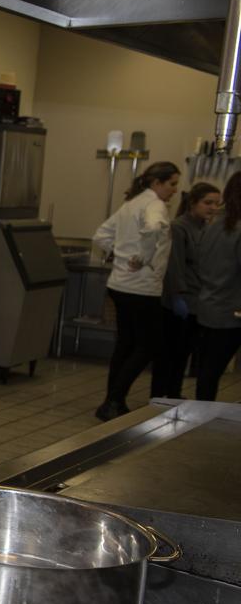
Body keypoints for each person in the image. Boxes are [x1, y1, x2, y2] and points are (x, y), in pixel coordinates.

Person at [92, 161, 180, 420]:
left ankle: (112, 401)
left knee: (125, 344)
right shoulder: (154, 205)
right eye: (172, 184)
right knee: (148, 345)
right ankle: (114, 400)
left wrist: (119, 254)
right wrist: (142, 257)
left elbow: (100, 236)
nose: (175, 190)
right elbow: (152, 229)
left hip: (119, 285)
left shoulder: (131, 204)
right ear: (157, 183)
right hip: (142, 288)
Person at [150, 182, 219, 399]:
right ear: (193, 203)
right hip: (179, 300)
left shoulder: (207, 228)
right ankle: (160, 394)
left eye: (216, 204)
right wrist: (177, 296)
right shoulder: (179, 227)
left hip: (198, 299)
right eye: (208, 203)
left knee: (184, 352)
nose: (213, 208)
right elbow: (175, 265)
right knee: (170, 352)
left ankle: (174, 392)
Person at [194, 172, 241, 400]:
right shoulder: (237, 227)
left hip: (209, 305)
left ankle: (201, 412)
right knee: (211, 371)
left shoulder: (213, 224)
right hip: (232, 311)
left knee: (208, 372)